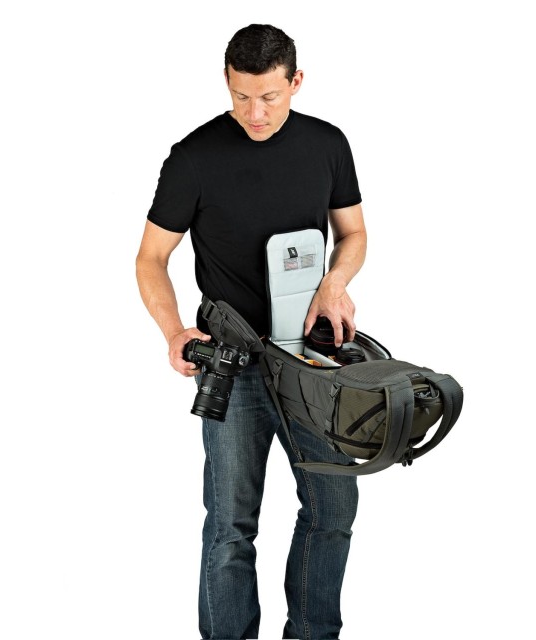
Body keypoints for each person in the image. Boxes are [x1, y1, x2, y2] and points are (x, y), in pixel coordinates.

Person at [136, 24, 367, 640]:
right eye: (241, 96)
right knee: (230, 526)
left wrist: (336, 281)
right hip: (231, 364)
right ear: (226, 81)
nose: (255, 113)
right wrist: (173, 330)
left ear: (296, 81)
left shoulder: (327, 144)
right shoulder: (193, 158)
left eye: (269, 96)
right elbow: (150, 258)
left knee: (333, 510)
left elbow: (353, 234)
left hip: (311, 361)